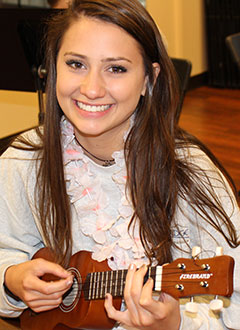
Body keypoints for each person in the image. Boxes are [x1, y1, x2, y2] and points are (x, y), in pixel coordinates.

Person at [0, 0, 240, 329]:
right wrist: (12, 279)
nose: (91, 89)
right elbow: (6, 247)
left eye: (116, 68)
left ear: (148, 79)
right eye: (75, 64)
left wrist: (177, 325)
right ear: (54, 67)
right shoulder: (23, 161)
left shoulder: (191, 173)